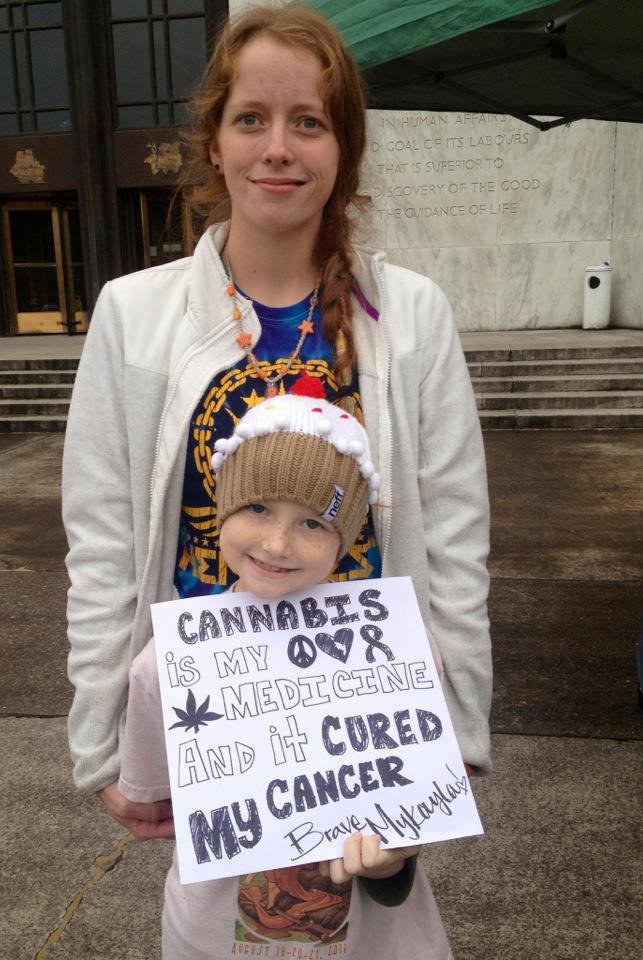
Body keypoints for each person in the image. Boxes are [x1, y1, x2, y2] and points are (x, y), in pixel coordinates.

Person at [63, 0, 490, 882]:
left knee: (367, 920)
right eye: (251, 118)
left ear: (345, 150)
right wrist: (106, 745)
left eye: (309, 123)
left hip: (368, 721)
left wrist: (457, 730)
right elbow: (103, 543)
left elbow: (454, 535)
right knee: (227, 932)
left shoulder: (413, 315)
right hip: (212, 724)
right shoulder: (132, 315)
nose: (278, 149)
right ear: (214, 142)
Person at [118, 387, 452, 958]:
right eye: (258, 508)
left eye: (314, 523)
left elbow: (411, 815)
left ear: (345, 540)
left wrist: (391, 860)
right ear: (221, 508)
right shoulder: (167, 663)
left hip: (376, 941)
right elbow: (157, 802)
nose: (277, 543)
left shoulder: (401, 650)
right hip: (209, 938)